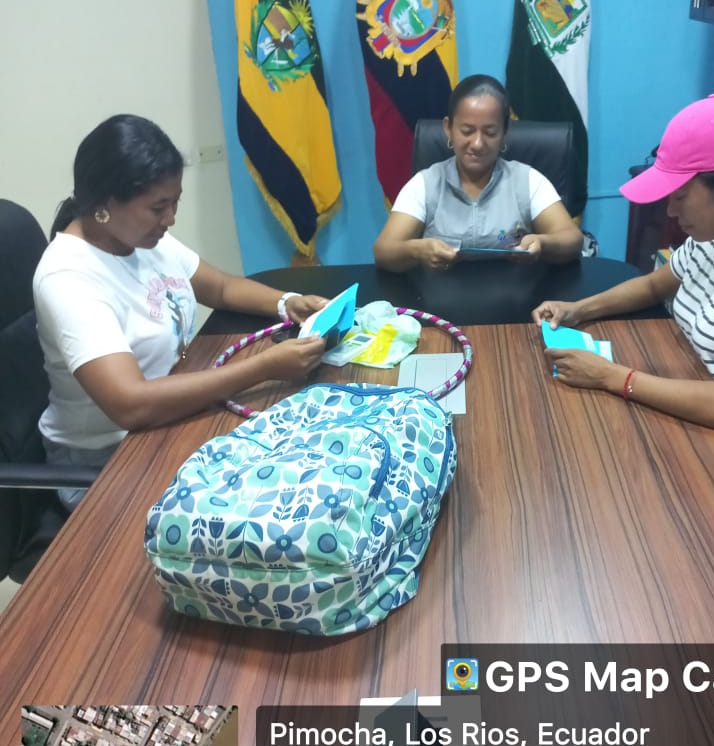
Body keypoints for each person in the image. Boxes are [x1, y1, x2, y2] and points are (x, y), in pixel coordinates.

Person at [34, 114, 328, 504]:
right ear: (105, 205)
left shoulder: (138, 238)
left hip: (172, 415)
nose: (170, 219)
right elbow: (130, 404)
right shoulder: (68, 277)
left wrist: (286, 302)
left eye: (175, 203)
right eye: (159, 207)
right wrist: (264, 368)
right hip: (109, 460)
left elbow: (221, 287)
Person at [532, 94, 714, 473]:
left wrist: (610, 376)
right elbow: (654, 286)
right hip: (693, 413)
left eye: (681, 196)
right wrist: (578, 309)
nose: (670, 211)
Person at [373, 74, 583, 271]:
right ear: (448, 129)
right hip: (440, 294)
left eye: (490, 133)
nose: (477, 144)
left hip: (515, 293)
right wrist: (417, 250)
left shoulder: (527, 181)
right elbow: (383, 250)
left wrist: (542, 243)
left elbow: (571, 238)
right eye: (467, 131)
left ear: (505, 133)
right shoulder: (426, 183)